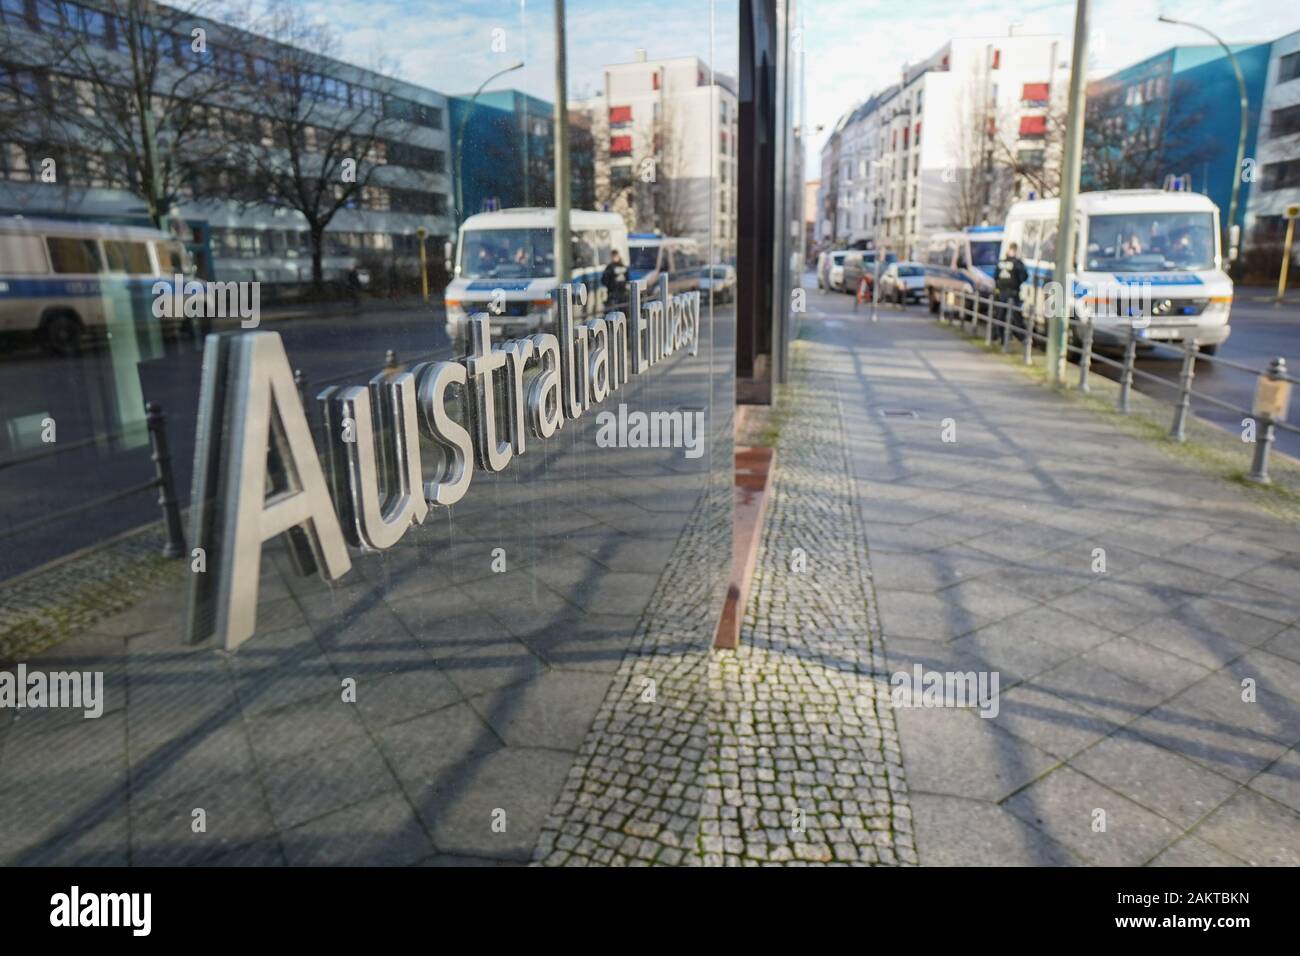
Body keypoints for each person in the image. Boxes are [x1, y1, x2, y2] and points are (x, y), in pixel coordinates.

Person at [995, 242, 1029, 341]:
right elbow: (1024, 276)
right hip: (1013, 293)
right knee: (1017, 317)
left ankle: (1001, 338)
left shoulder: (1001, 262)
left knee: (1000, 316)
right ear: (1015, 250)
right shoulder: (1017, 263)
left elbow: (995, 277)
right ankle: (1023, 339)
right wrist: (1018, 283)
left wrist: (998, 288)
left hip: (1002, 293)